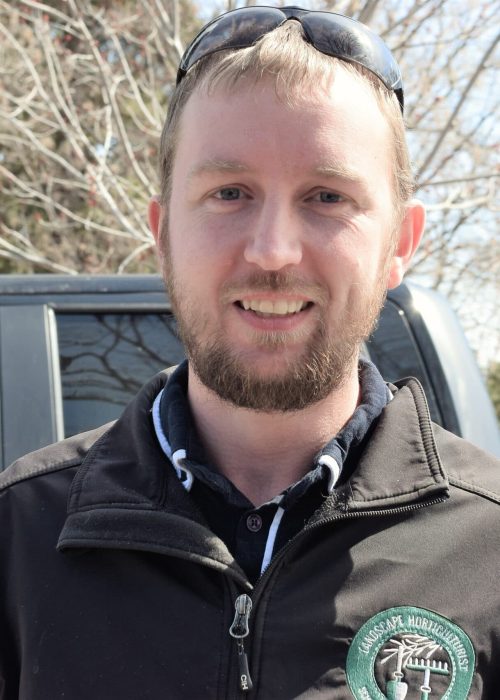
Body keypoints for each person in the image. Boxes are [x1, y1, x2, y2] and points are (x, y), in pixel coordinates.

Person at [0, 6, 498, 699]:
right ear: (164, 231)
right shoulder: (19, 536)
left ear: (400, 245)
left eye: (327, 196)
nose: (271, 251)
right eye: (229, 193)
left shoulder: (489, 547)